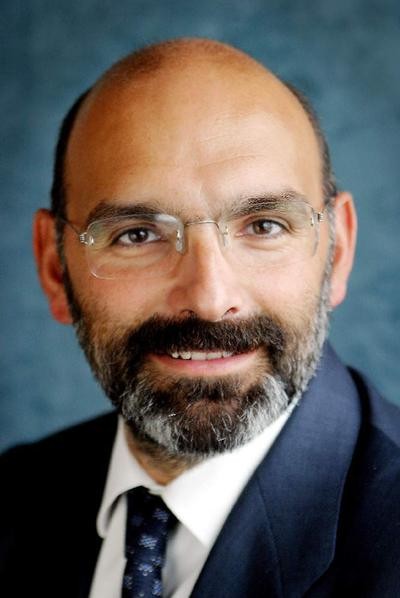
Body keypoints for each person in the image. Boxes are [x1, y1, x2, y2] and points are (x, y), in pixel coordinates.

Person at [1, 37, 399, 598]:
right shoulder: (14, 498)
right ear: (53, 265)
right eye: (137, 234)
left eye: (264, 226)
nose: (210, 299)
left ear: (338, 251)